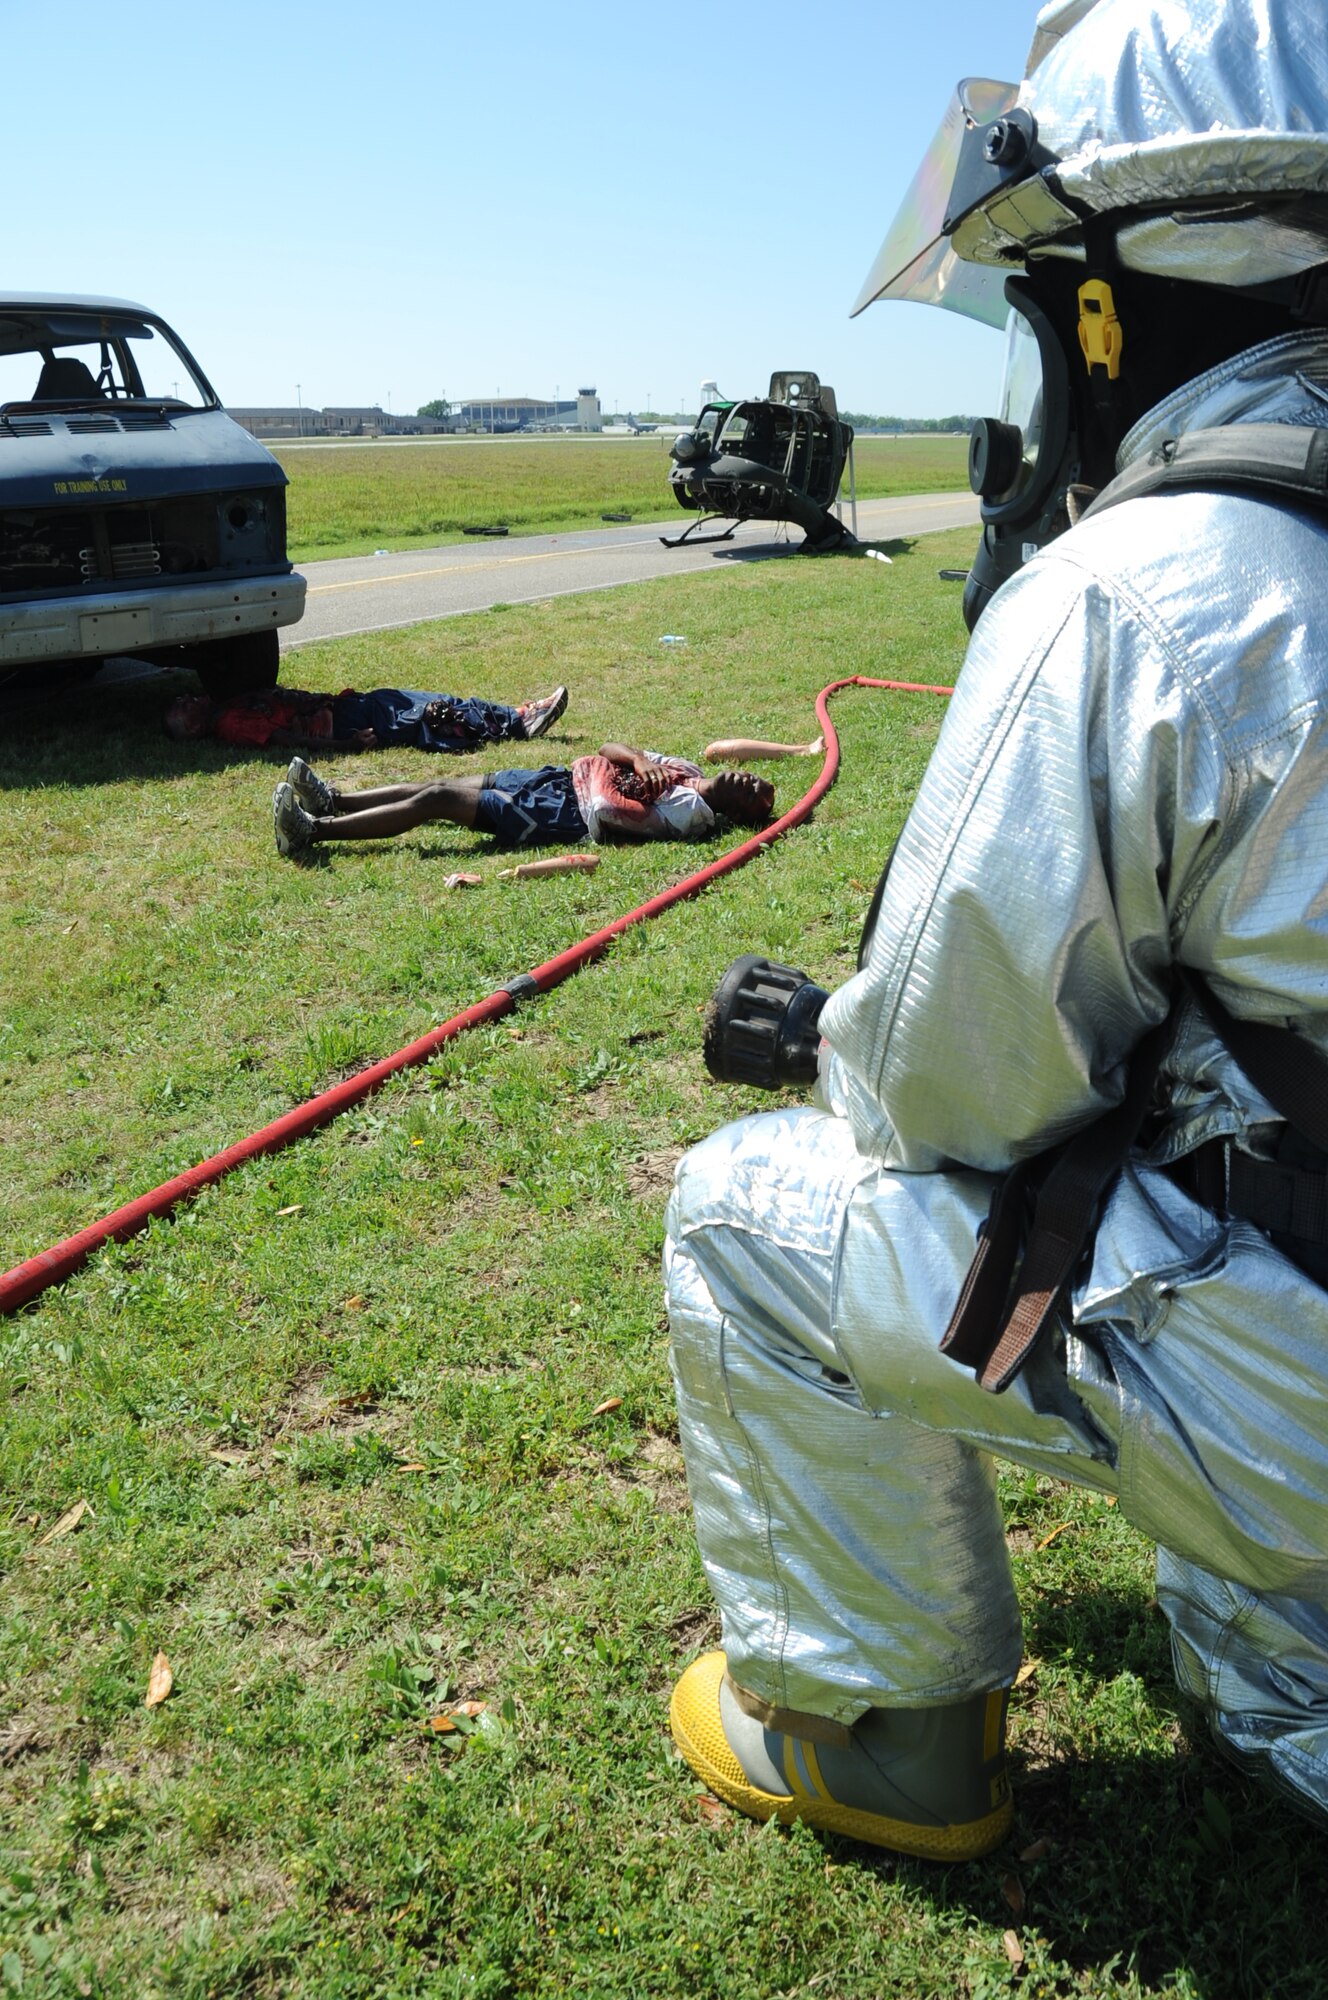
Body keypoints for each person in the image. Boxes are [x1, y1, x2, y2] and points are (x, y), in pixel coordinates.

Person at [664, 0, 1328, 1861]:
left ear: (1108, 302)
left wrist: (829, 1034)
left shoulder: (1147, 589)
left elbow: (952, 1095)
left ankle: (879, 1737)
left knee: (743, 1217)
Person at [271, 743, 775, 858]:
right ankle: (337, 800)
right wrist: (638, 761)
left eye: (752, 792)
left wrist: (600, 768)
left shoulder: (691, 815)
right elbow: (610, 748)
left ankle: (313, 831)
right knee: (443, 782)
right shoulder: (688, 773)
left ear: (736, 813)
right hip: (555, 781)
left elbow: (606, 809)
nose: (748, 778)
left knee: (438, 799)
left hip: (555, 813)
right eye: (755, 777)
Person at [164, 682, 568, 753]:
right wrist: (347, 745)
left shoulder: (228, 706)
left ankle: (514, 717)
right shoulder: (230, 724)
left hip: (346, 708)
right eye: (182, 706)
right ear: (194, 727)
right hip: (344, 725)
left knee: (430, 705)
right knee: (430, 713)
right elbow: (288, 740)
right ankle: (518, 721)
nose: (185, 697)